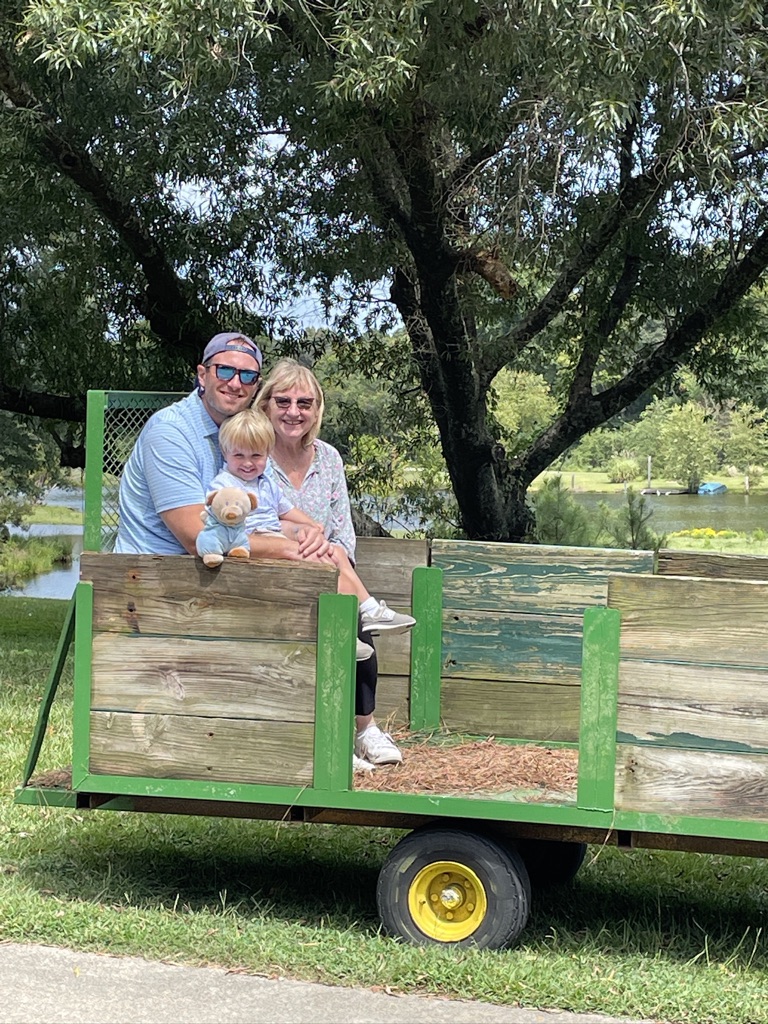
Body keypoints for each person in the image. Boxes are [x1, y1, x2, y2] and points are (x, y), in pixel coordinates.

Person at [256, 358, 409, 770]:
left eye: (305, 403)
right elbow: (254, 523)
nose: (293, 412)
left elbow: (342, 529)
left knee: (354, 621)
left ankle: (364, 732)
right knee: (345, 607)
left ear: (317, 409)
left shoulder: (329, 458)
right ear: (266, 404)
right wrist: (306, 546)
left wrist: (326, 554)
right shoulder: (252, 455)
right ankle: (327, 740)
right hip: (273, 573)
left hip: (327, 568)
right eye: (283, 401)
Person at [208, 407, 415, 665]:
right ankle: (345, 632)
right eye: (239, 455)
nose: (248, 463)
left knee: (334, 552)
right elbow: (221, 514)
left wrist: (314, 526)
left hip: (275, 534)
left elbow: (287, 510)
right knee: (322, 563)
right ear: (225, 453)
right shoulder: (225, 483)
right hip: (252, 541)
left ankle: (369, 609)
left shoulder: (265, 482)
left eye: (257, 456)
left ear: (266, 455)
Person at [116, 332, 328, 562]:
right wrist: (289, 548)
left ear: (256, 385)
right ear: (202, 375)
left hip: (219, 573)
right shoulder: (170, 432)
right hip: (152, 573)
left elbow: (260, 517)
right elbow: (197, 537)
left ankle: (365, 600)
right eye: (225, 370)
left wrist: (301, 532)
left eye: (248, 376)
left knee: (327, 555)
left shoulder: (245, 434)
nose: (235, 383)